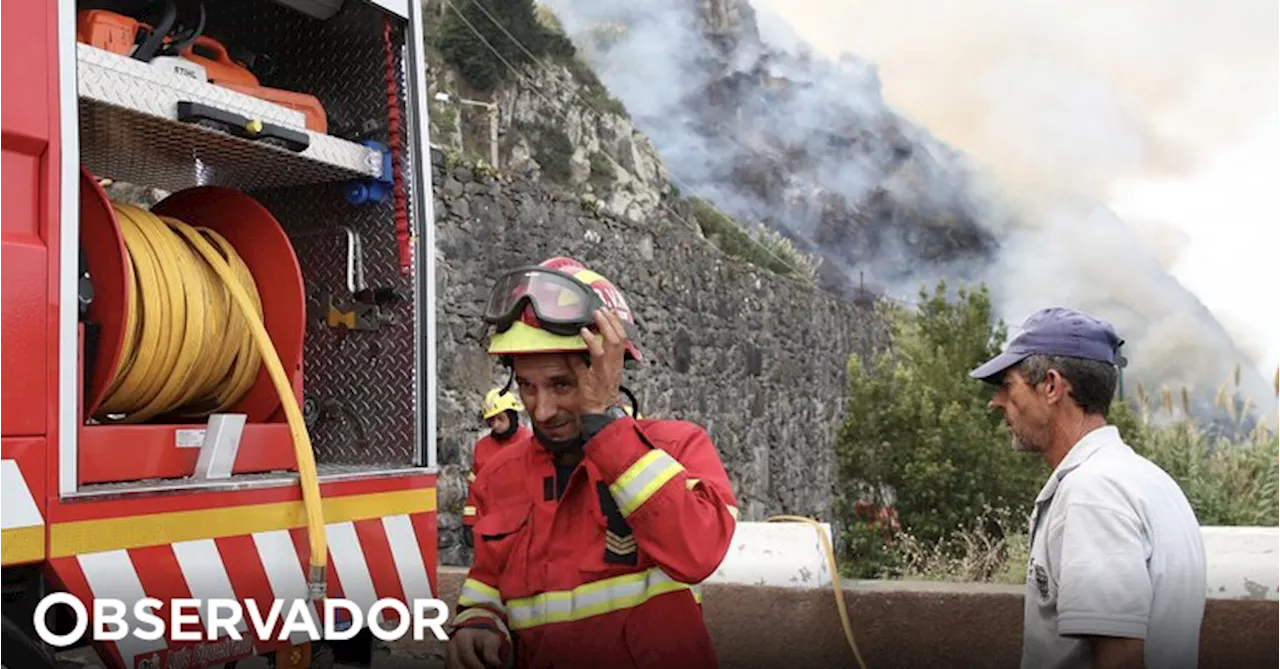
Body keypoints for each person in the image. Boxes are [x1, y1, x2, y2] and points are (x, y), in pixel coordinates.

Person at [445, 256, 739, 669]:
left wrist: (606, 424)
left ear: (607, 370)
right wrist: (479, 622)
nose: (542, 410)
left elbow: (698, 552)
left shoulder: (676, 447)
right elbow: (487, 581)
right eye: (527, 386)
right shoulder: (499, 475)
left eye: (561, 384)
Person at [969, 307, 1207, 669]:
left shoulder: (1093, 494)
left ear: (1051, 386)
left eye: (1007, 386)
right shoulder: (1149, 480)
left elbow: (1121, 657)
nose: (997, 402)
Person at [462, 387, 533, 534]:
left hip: (524, 526)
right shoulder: (482, 447)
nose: (495, 425)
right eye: (491, 421)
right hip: (492, 526)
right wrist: (470, 521)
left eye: (500, 418)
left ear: (512, 415)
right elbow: (474, 489)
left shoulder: (530, 443)